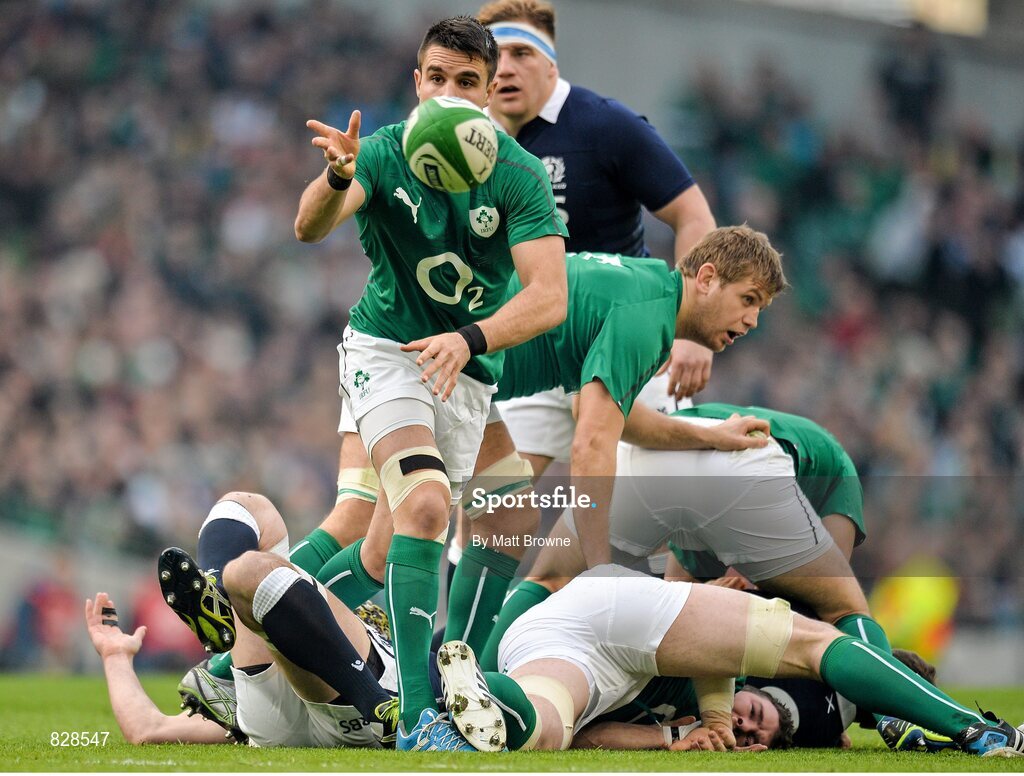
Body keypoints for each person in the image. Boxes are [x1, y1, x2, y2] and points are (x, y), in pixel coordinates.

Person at [293, 15, 568, 749]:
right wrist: (337, 175)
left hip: (464, 373)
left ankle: (253, 633)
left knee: (389, 550)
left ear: (488, 93)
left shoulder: (518, 175)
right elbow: (309, 227)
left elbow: (550, 298)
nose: (448, 92)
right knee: (424, 505)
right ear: (417, 82)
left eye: (466, 82)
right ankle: (419, 716)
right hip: (385, 352)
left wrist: (469, 339)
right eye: (436, 77)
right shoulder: (382, 152)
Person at [477, 0, 718, 480]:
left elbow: (692, 215)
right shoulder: (470, 139)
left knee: (663, 497)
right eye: (495, 57)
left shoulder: (605, 125)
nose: (506, 69)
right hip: (536, 346)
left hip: (624, 339)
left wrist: (694, 332)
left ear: (551, 62)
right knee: (492, 501)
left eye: (522, 53)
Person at [437, 567, 1024, 757]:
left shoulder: (701, 719)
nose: (746, 726)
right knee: (816, 646)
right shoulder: (756, 681)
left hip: (552, 645)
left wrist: (675, 738)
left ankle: (484, 699)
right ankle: (977, 730)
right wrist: (716, 717)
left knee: (548, 730)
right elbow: (714, 646)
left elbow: (590, 739)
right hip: (622, 609)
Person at [154, 492, 405, 749]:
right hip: (282, 709)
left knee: (249, 570)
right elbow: (150, 729)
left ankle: (377, 706)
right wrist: (124, 652)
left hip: (303, 712)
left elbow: (148, 729)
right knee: (244, 508)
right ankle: (217, 591)